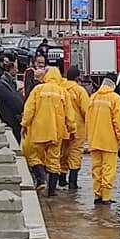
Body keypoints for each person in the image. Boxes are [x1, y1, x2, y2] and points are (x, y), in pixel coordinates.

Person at [22, 67, 74, 196]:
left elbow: (29, 110)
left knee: (34, 157)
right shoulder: (63, 92)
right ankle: (52, 192)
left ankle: (41, 179)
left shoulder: (37, 90)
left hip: (38, 131)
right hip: (56, 132)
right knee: (54, 160)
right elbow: (70, 114)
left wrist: (24, 124)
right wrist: (72, 129)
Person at [86, 78, 120, 205]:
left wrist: (88, 138)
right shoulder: (115, 98)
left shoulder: (92, 98)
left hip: (94, 140)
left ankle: (97, 195)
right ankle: (106, 197)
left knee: (96, 169)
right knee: (108, 169)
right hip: (109, 141)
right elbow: (118, 121)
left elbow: (87, 120)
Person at [60, 66, 90, 190]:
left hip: (62, 127)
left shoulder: (60, 89)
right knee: (75, 154)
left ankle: (61, 179)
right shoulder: (80, 91)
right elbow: (86, 111)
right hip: (77, 129)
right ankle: (73, 182)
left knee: (62, 153)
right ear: (78, 77)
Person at [0, 55, 24, 141]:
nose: (17, 71)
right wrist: (22, 110)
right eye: (15, 68)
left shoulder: (7, 82)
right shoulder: (1, 85)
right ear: (10, 69)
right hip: (9, 119)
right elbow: (14, 100)